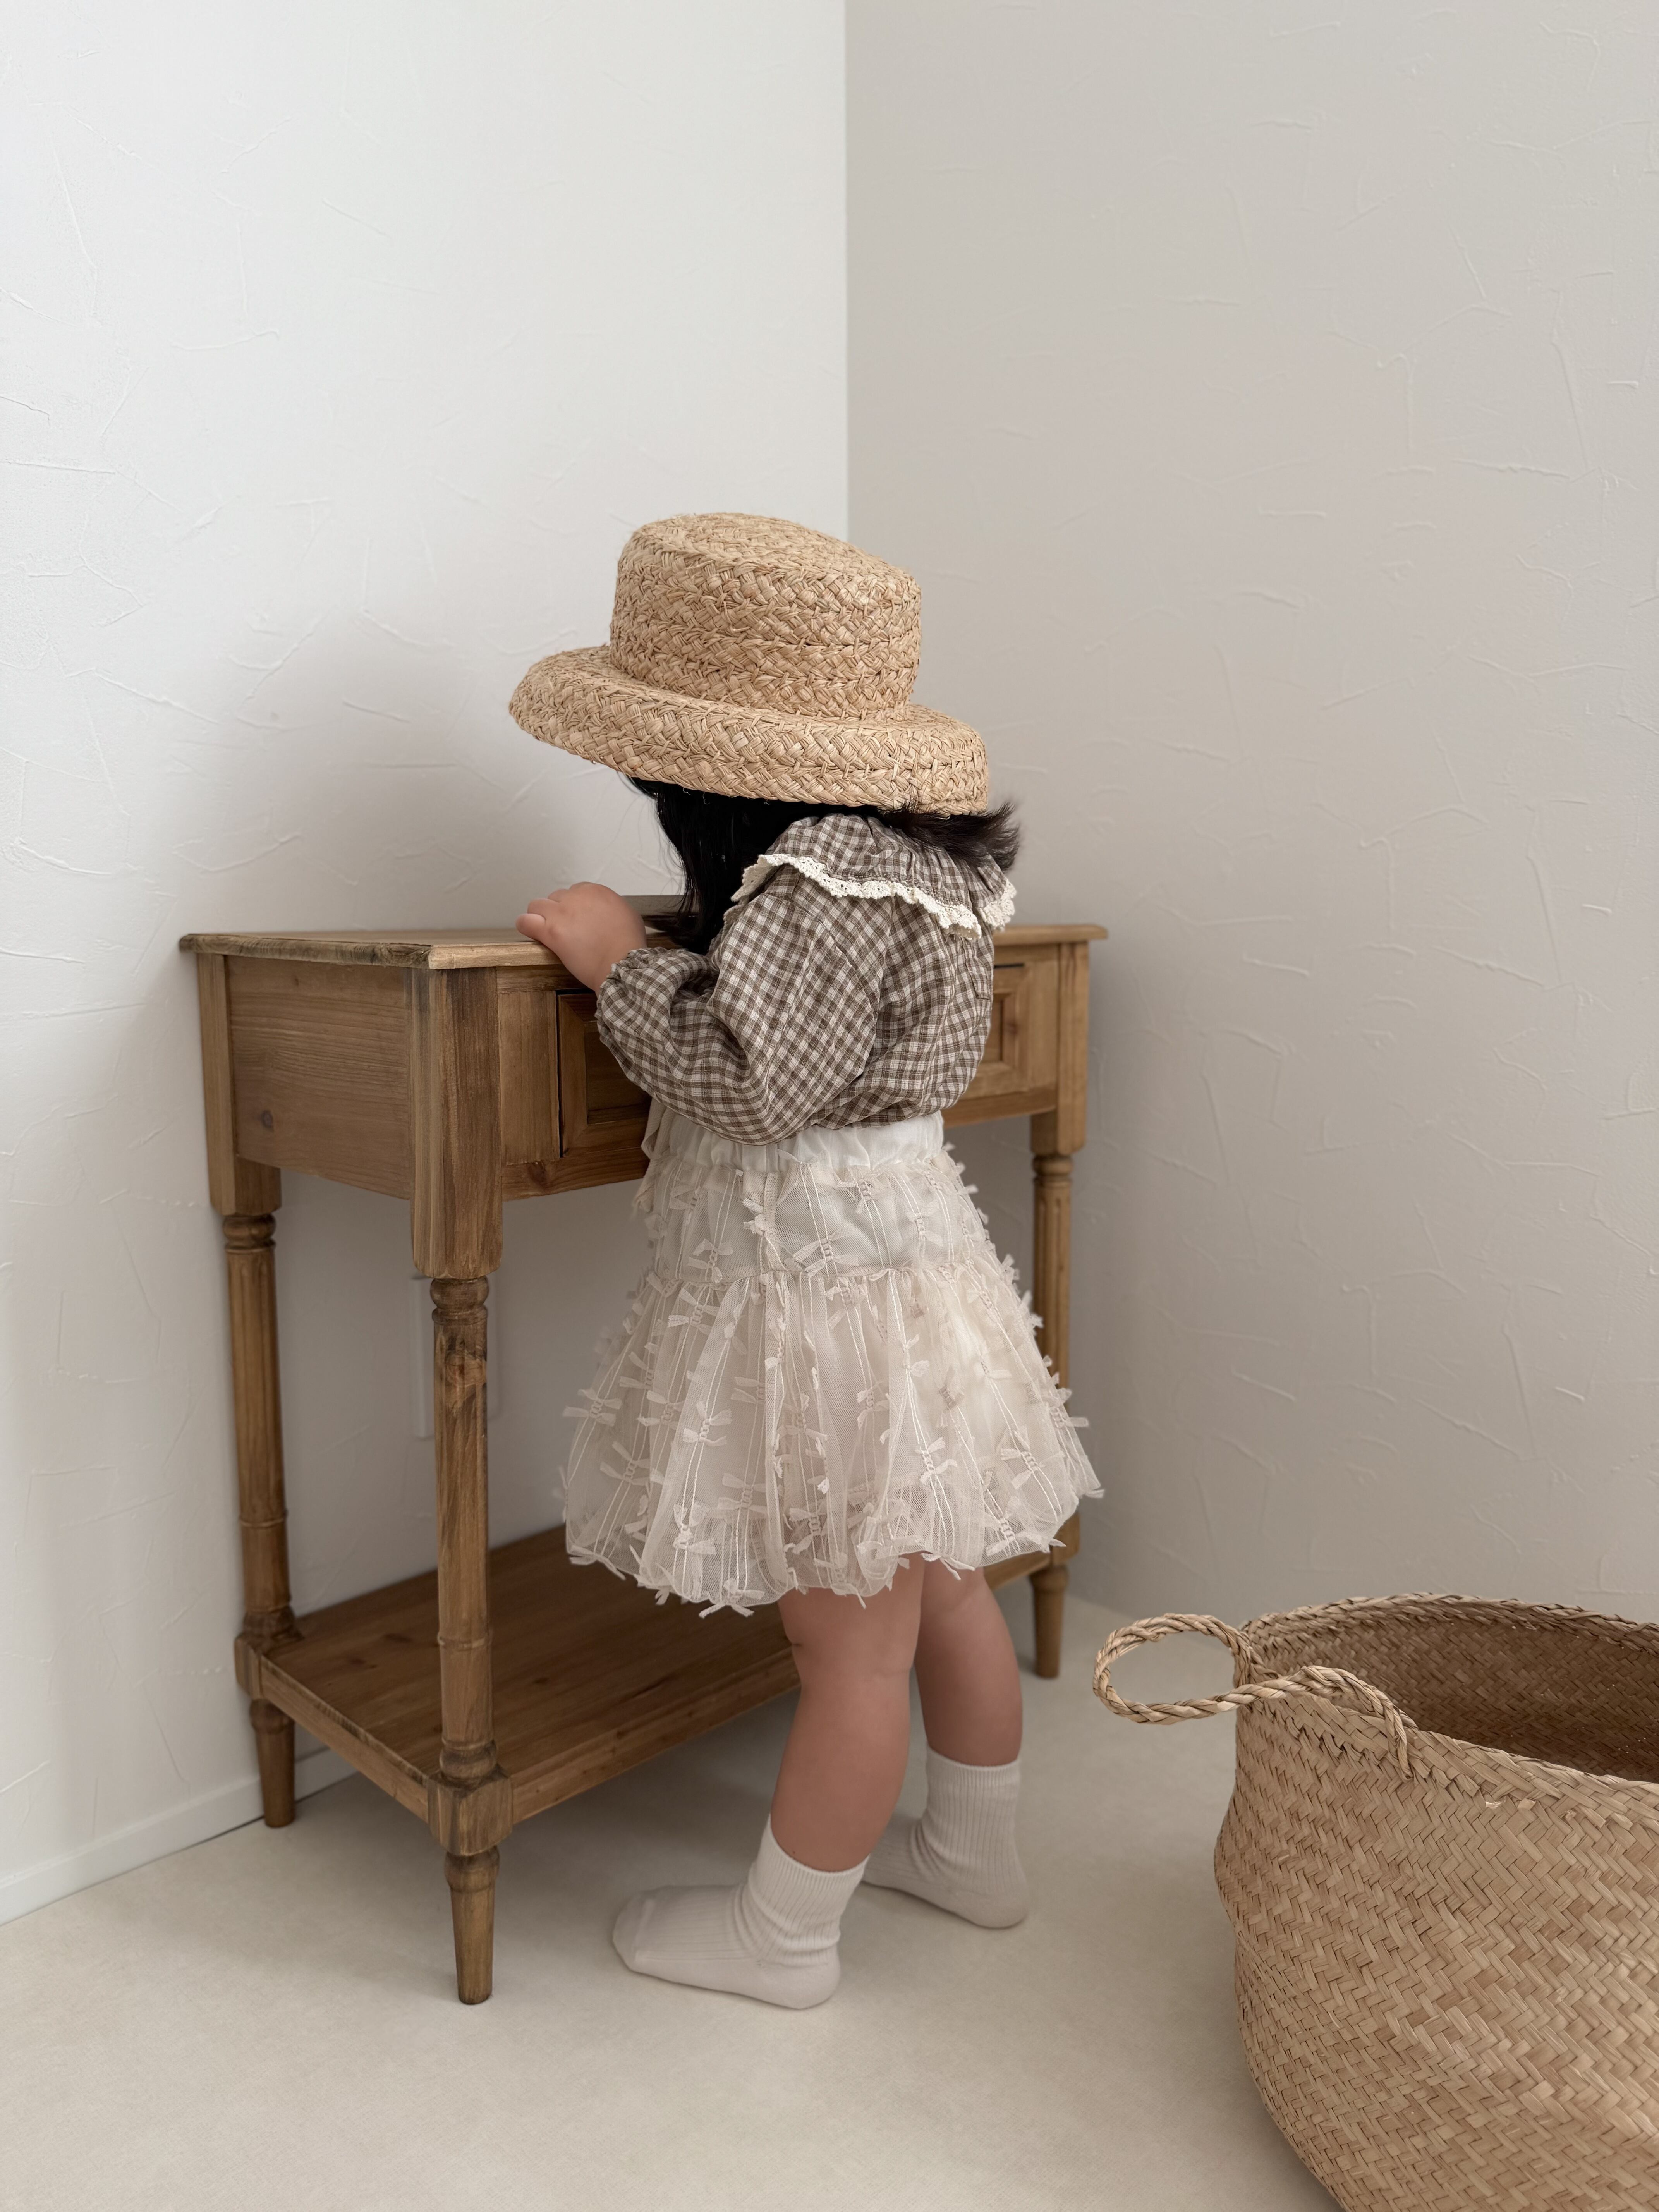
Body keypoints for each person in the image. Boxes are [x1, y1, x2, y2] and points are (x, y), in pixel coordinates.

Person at [509, 513, 1098, 2007]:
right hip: (913, 1280)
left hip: (822, 1296)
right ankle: (971, 1857)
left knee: (847, 1648)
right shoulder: (920, 871)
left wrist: (617, 960)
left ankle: (783, 1942)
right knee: (944, 1587)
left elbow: (746, 1077)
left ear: (710, 771)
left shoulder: (809, 881)